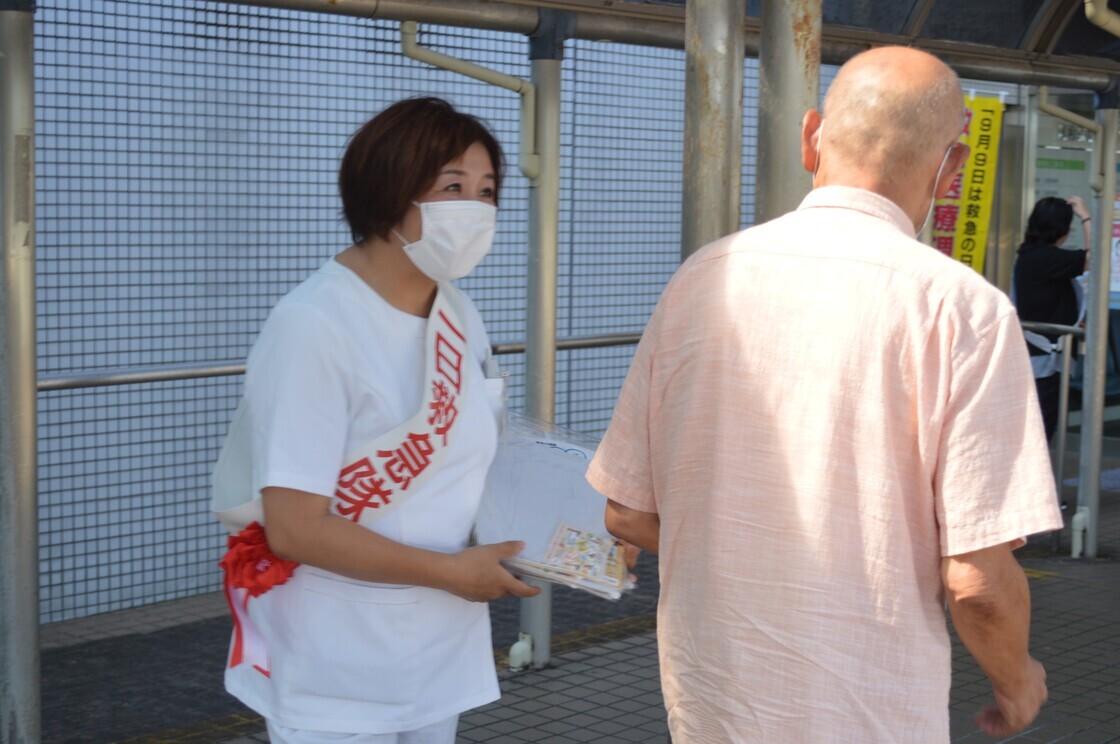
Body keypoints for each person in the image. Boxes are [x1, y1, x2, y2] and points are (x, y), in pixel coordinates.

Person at [586, 47, 1063, 742]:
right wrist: (1018, 682)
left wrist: (754, 554)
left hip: (710, 704)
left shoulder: (700, 280)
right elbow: (976, 580)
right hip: (871, 710)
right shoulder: (964, 310)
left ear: (813, 137)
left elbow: (627, 512)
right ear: (950, 165)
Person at [218, 97, 539, 744]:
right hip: (336, 661)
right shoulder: (315, 325)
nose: (476, 210)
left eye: (487, 192)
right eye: (453, 187)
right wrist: (453, 573)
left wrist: (577, 531)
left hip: (439, 651)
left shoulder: (458, 314)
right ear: (388, 188)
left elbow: (481, 461)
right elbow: (295, 530)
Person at [1013, 195, 1092, 442]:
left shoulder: (1031, 256)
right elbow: (1096, 259)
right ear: (1061, 229)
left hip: (1040, 356)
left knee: (1037, 430)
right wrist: (1086, 217)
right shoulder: (1044, 258)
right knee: (1041, 431)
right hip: (1044, 361)